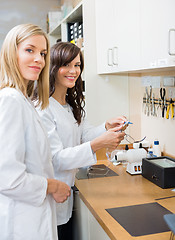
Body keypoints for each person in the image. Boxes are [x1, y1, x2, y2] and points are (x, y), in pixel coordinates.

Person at [37, 41, 126, 240]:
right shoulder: (43, 107)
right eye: (66, 65)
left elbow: (83, 134)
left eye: (77, 65)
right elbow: (56, 158)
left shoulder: (68, 104)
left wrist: (106, 126)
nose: (73, 71)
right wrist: (101, 143)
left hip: (66, 192)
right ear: (52, 68)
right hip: (51, 196)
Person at [0, 24, 71, 240]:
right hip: (22, 224)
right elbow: (7, 178)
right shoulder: (11, 100)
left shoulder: (23, 100)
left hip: (32, 218)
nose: (39, 59)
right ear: (12, 53)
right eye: (29, 50)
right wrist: (52, 185)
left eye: (43, 53)